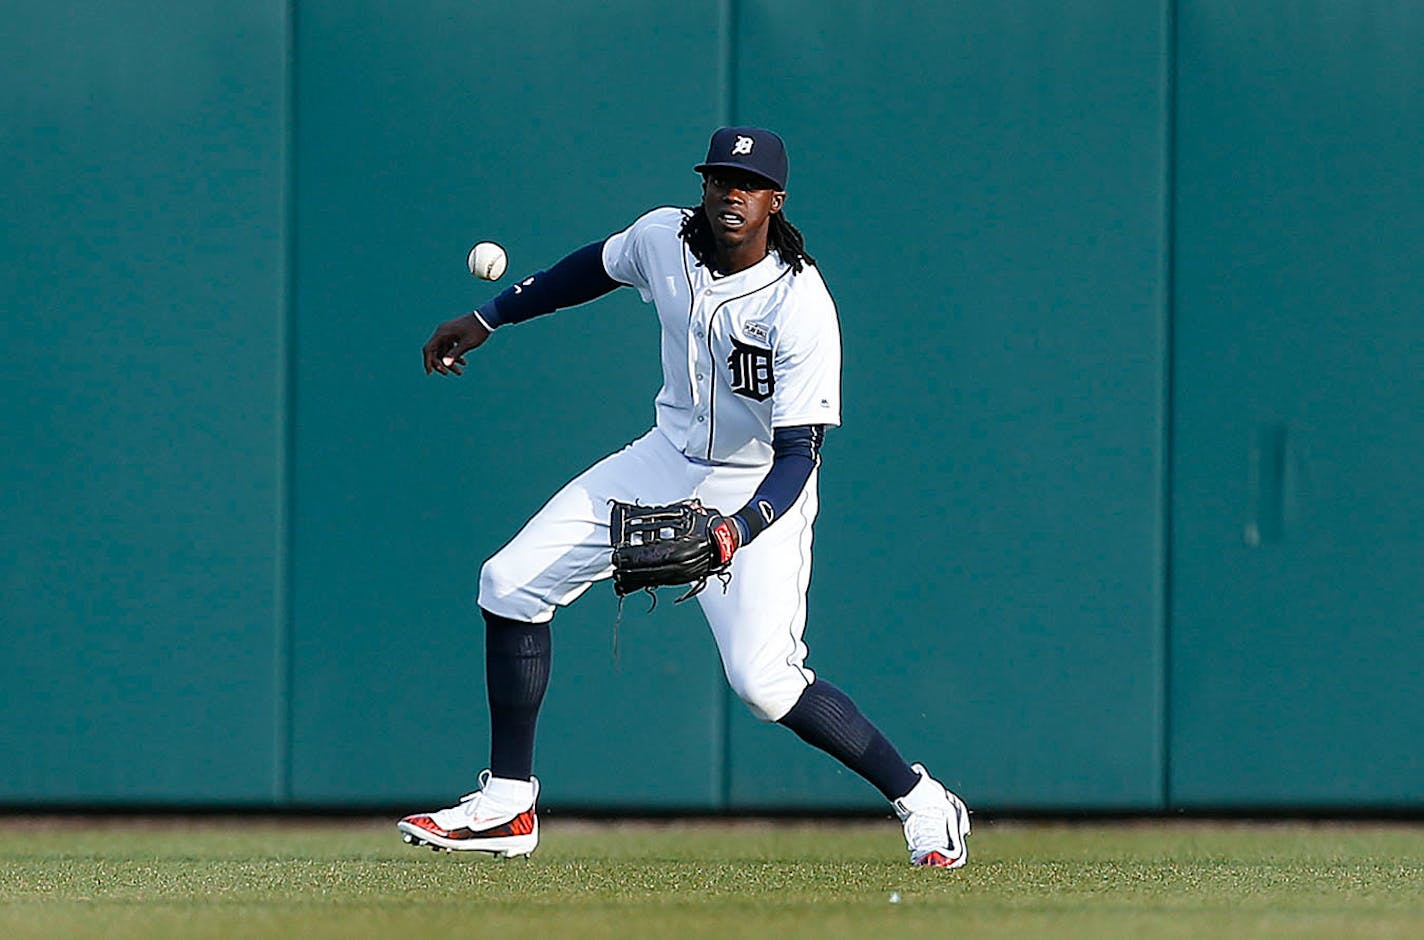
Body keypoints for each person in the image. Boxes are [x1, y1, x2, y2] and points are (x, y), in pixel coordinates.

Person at [400, 127, 971, 868]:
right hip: (664, 459)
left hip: (756, 481)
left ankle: (923, 800)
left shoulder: (799, 305)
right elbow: (591, 270)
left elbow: (799, 457)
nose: (732, 193)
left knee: (764, 683)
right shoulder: (662, 237)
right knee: (507, 583)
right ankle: (509, 806)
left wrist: (736, 532)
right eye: (719, 178)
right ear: (702, 185)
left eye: (749, 184)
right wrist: (488, 318)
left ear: (775, 201)